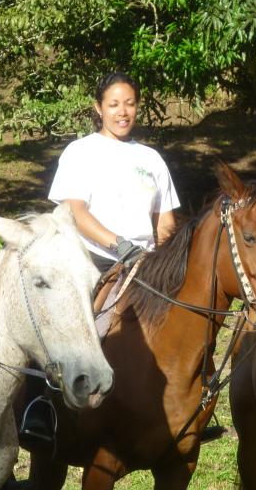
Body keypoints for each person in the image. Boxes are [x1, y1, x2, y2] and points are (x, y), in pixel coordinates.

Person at [18, 71, 180, 445]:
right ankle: (39, 405)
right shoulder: (81, 152)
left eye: (130, 104)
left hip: (146, 262)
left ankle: (186, 404)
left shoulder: (150, 158)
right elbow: (75, 211)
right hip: (92, 259)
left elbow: (166, 221)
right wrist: (118, 244)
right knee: (65, 322)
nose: (123, 112)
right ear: (98, 108)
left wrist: (164, 257)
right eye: (114, 104)